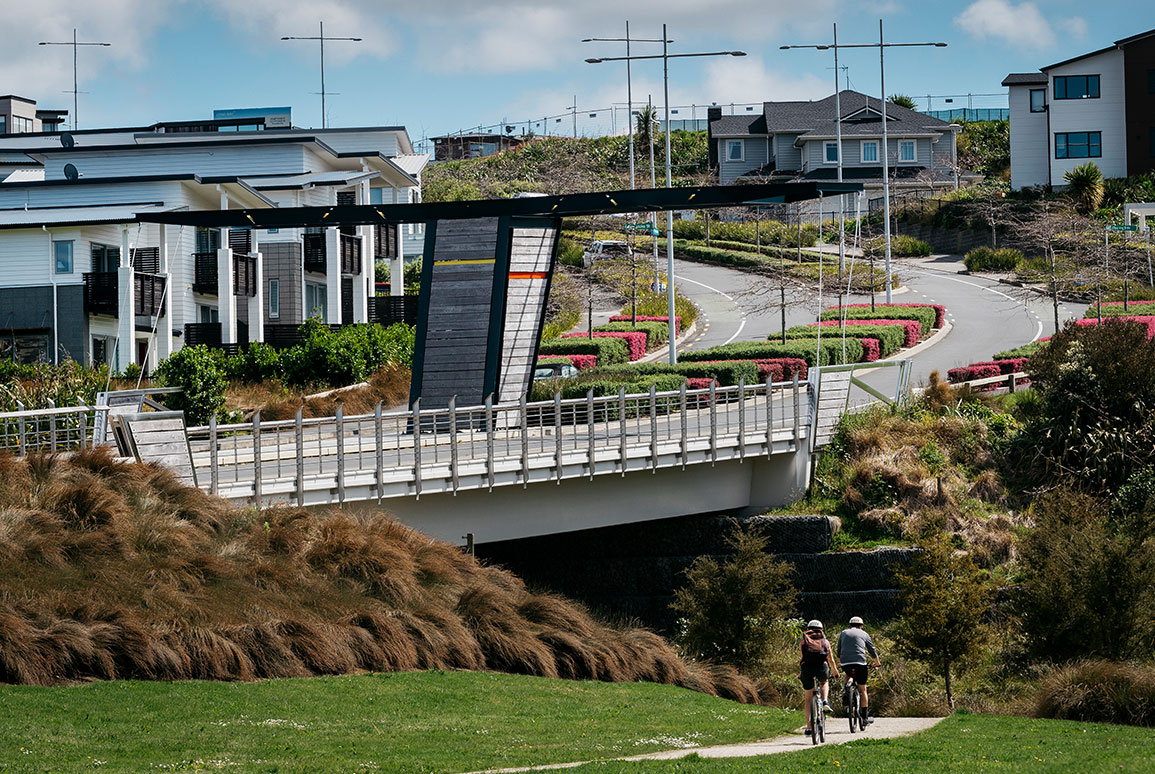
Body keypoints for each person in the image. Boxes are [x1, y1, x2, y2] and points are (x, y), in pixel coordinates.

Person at [837, 615, 881, 725]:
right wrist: (876, 662)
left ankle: (847, 690)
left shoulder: (843, 633)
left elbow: (839, 648)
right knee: (863, 690)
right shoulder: (864, 634)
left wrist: (839, 662)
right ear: (861, 626)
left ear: (849, 625)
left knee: (848, 673)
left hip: (846, 663)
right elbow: (871, 649)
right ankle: (865, 718)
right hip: (860, 664)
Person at [799, 620, 839, 736]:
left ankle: (809, 728)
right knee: (824, 682)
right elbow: (830, 659)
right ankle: (825, 701)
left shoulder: (803, 643)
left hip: (807, 668)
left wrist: (801, 673)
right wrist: (835, 671)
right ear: (821, 630)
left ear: (808, 629)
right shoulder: (825, 642)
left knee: (808, 699)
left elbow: (802, 659)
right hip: (822, 667)